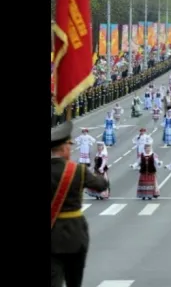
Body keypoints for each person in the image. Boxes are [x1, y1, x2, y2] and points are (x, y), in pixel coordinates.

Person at [51, 121, 109, 287]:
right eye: (69, 146)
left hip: (52, 234)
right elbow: (101, 185)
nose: (70, 149)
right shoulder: (77, 170)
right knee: (74, 281)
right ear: (63, 149)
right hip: (75, 233)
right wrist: (100, 170)